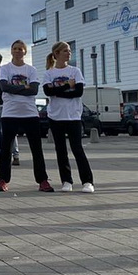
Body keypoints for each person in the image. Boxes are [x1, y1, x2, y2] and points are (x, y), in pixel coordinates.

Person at [0, 40, 52, 192]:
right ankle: (2, 180)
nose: (17, 51)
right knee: (6, 148)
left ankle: (42, 180)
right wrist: (24, 87)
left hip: (29, 113)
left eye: (20, 49)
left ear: (25, 52)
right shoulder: (5, 68)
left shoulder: (31, 69)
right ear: (11, 51)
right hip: (10, 113)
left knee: (36, 148)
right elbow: (4, 87)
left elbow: (33, 90)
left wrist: (14, 88)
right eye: (15, 48)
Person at [42, 42, 95, 193]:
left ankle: (87, 181)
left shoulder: (75, 71)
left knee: (77, 149)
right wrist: (67, 86)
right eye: (65, 51)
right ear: (56, 53)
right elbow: (48, 92)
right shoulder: (49, 73)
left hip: (73, 116)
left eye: (69, 51)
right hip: (56, 117)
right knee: (61, 150)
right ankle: (66, 181)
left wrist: (57, 91)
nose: (69, 53)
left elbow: (78, 92)